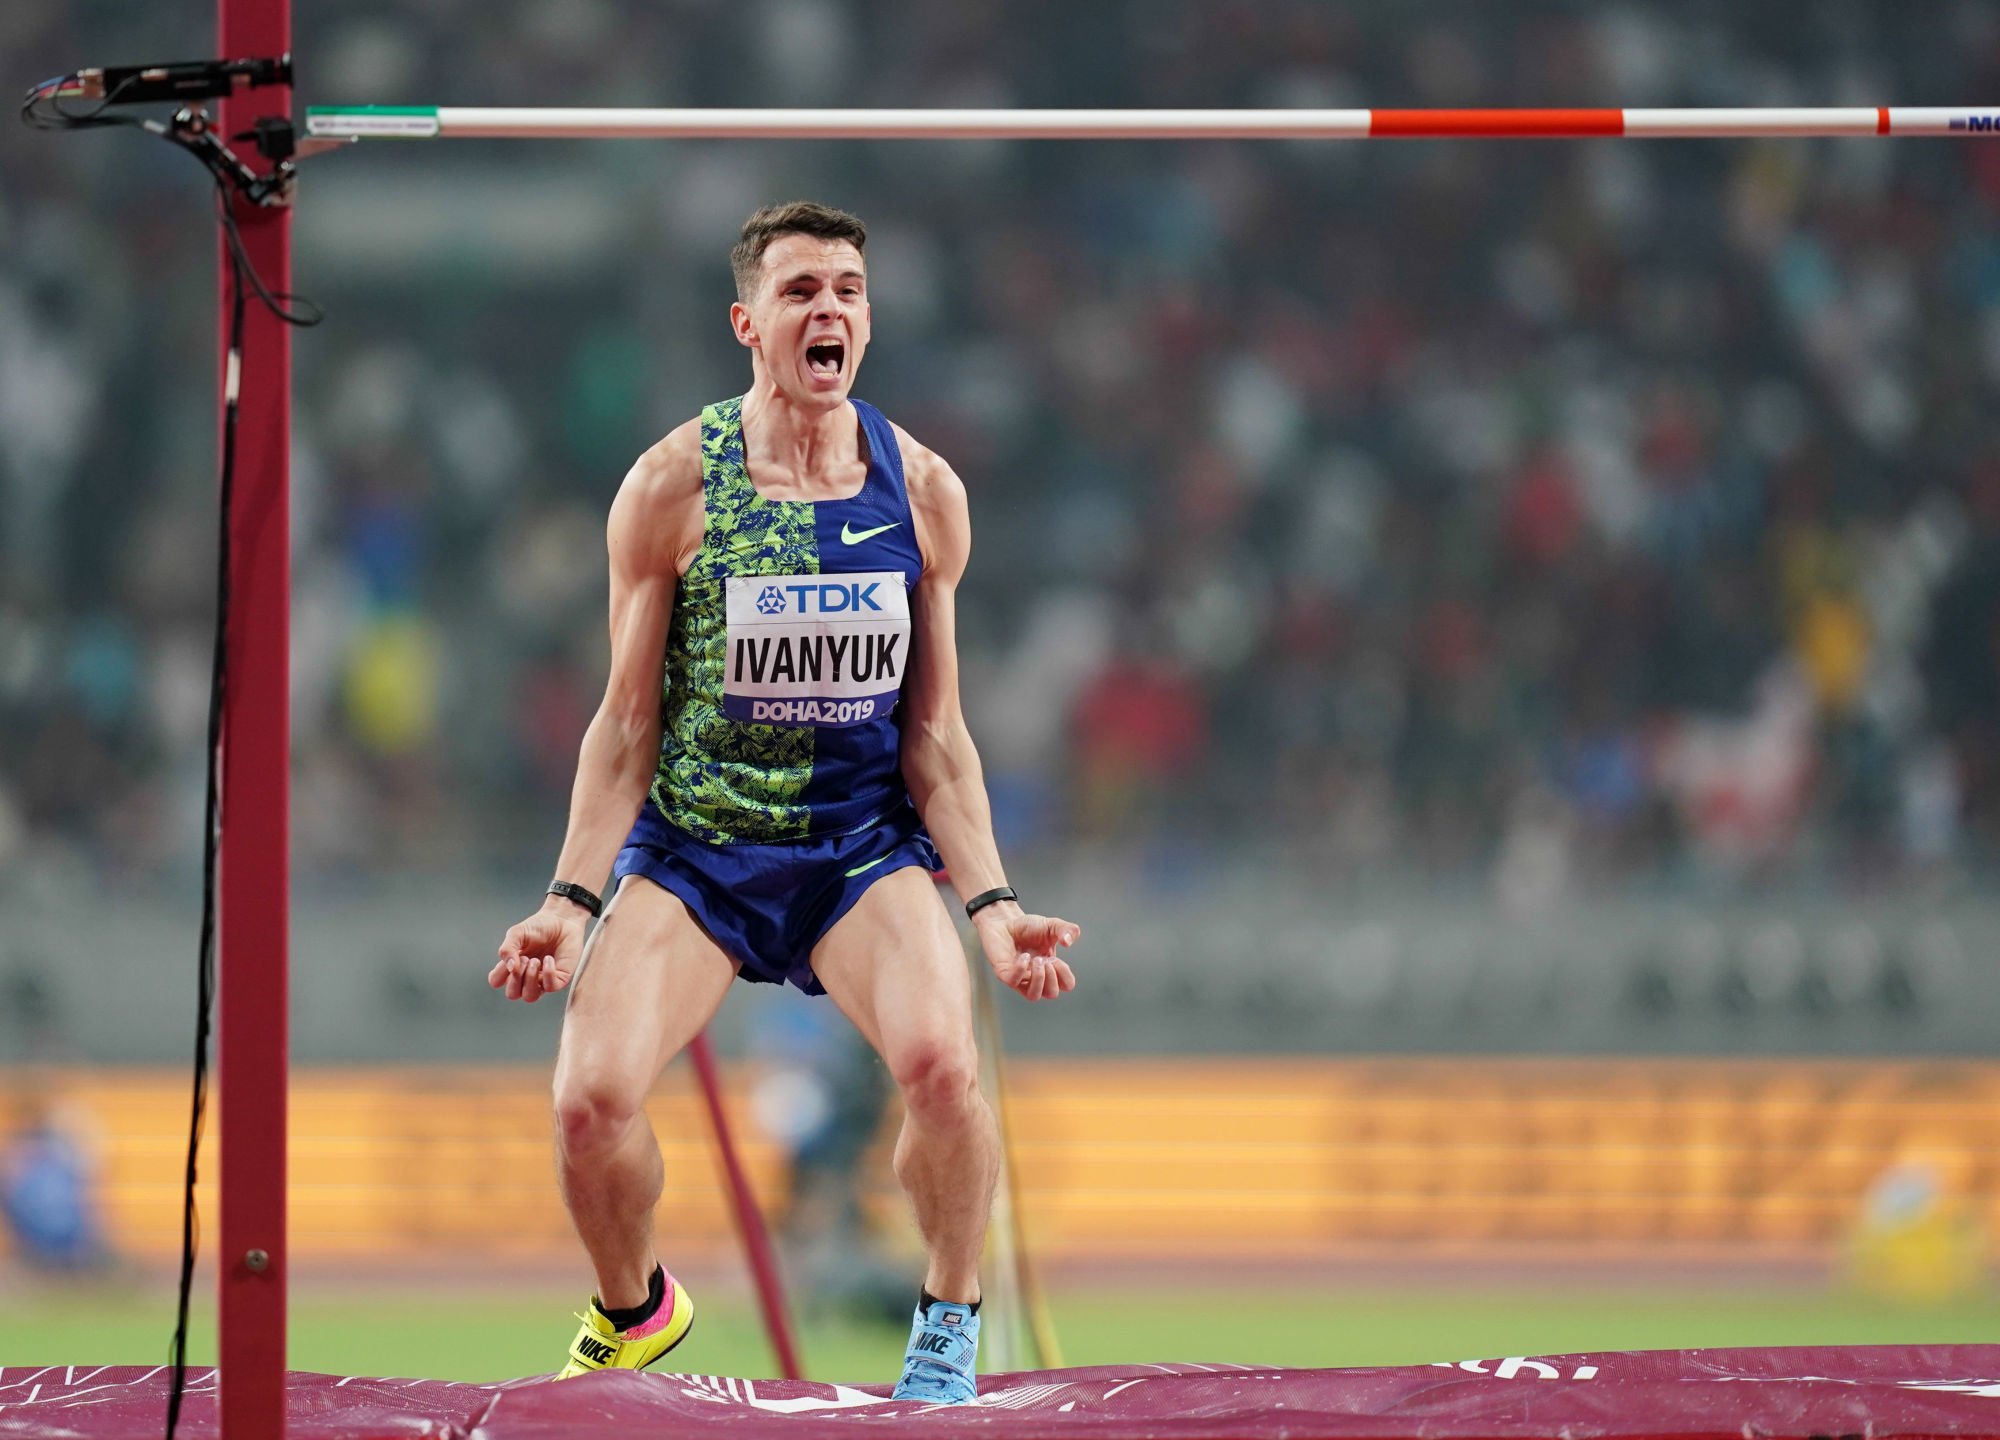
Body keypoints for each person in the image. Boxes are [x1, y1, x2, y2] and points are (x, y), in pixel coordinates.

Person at [489, 200, 1080, 1404]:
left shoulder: (921, 491)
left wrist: (993, 905)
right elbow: (625, 726)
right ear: (745, 323)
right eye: (801, 290)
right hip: (698, 856)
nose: (829, 311)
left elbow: (935, 737)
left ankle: (946, 1319)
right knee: (589, 1106)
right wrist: (566, 900)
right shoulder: (671, 486)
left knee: (942, 1070)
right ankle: (635, 1307)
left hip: (855, 852)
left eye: (848, 291)